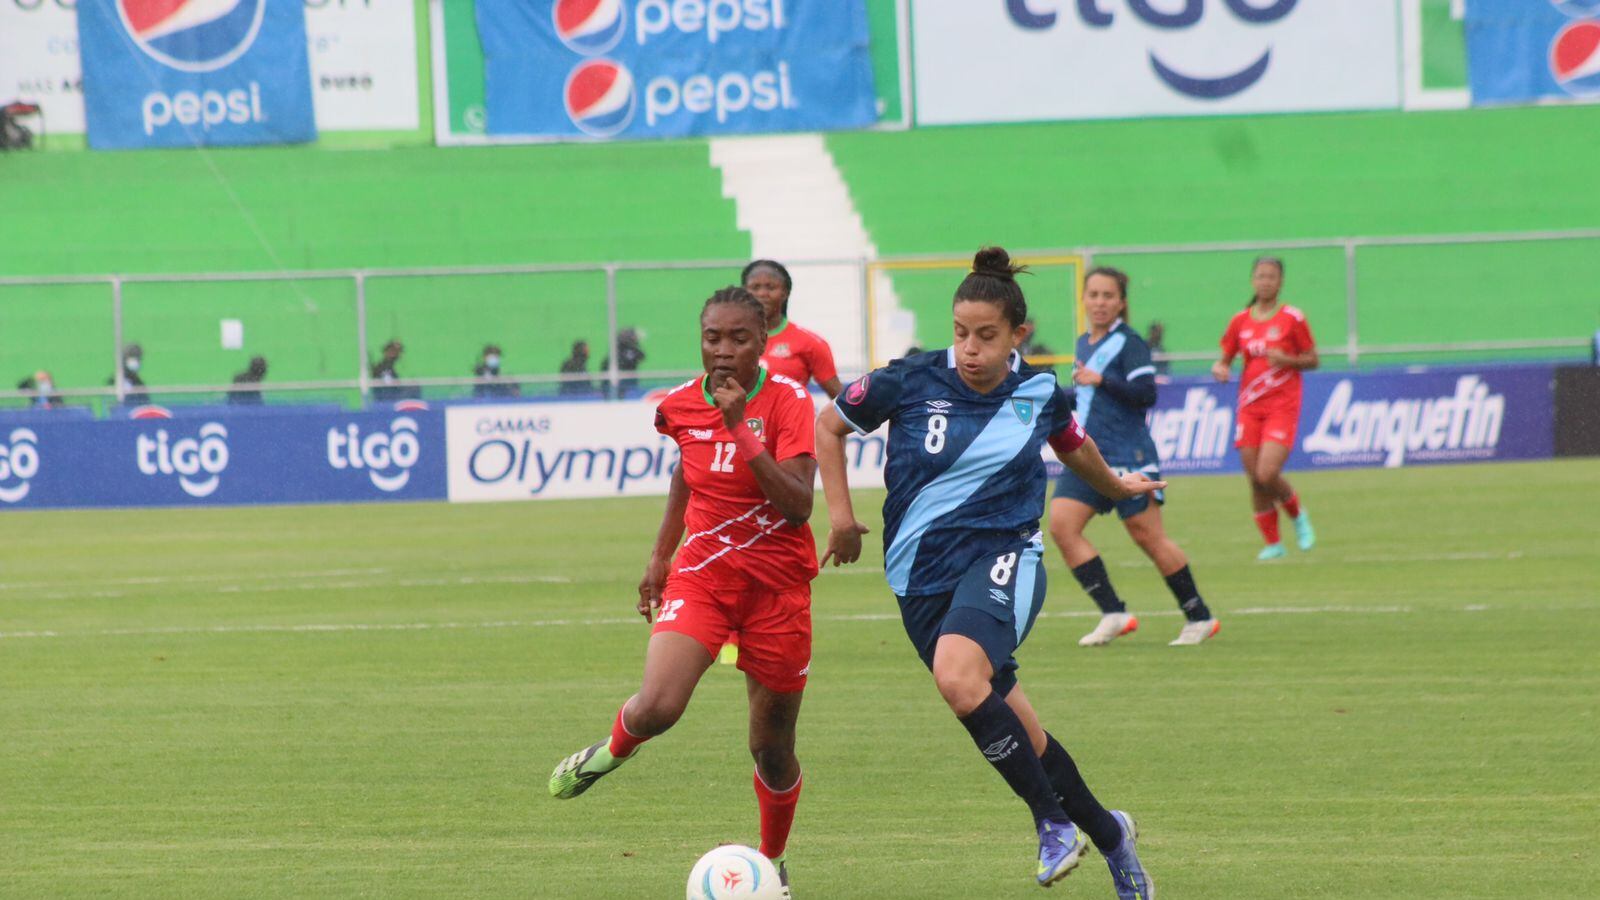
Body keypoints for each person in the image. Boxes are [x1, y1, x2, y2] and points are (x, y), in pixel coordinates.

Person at [815, 248, 1157, 895]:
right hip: (920, 579)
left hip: (1006, 556)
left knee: (956, 676)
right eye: (961, 333)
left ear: (1018, 335)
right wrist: (839, 517)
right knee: (1022, 731)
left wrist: (1115, 486)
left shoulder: (1039, 391)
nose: (970, 349)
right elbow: (828, 426)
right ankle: (1112, 835)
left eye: (987, 336)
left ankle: (1052, 826)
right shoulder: (908, 379)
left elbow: (1074, 447)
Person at [548, 287, 818, 898]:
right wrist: (660, 555)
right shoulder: (679, 405)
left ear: (763, 341)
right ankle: (609, 752)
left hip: (778, 590)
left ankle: (772, 861)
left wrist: (739, 428)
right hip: (705, 577)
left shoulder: (788, 401)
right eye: (712, 338)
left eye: (739, 339)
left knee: (771, 748)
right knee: (658, 707)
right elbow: (685, 473)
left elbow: (799, 505)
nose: (723, 351)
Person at [1049, 268, 1220, 647]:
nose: (1099, 302)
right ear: (1084, 299)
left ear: (1121, 302)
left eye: (1108, 295)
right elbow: (1088, 397)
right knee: (1062, 526)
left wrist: (1101, 380)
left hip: (1129, 453)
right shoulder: (1084, 343)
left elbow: (1146, 393)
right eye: (1093, 294)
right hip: (1088, 456)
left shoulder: (1130, 343)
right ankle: (1113, 613)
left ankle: (1199, 616)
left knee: (1148, 537)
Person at [1212, 256, 1319, 561]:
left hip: (1282, 406)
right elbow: (1225, 358)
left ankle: (1298, 517)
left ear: (1280, 282)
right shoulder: (1240, 320)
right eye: (1260, 276)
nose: (1265, 281)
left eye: (1271, 276)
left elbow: (1313, 359)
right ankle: (1274, 544)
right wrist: (1220, 368)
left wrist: (1288, 360)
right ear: (1253, 280)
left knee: (1267, 472)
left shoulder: (1292, 318)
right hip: (1249, 407)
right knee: (1256, 480)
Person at [742, 260, 843, 399]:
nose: (762, 293)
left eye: (771, 287)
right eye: (755, 287)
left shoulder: (809, 342)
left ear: (785, 293)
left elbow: (841, 401)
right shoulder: (729, 339)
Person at [602, 328, 646, 397]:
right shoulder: (621, 350)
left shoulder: (629, 349)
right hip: (623, 381)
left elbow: (641, 356)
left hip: (629, 381)